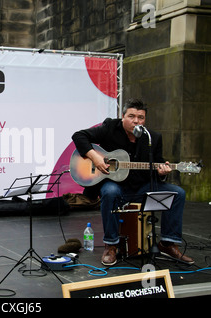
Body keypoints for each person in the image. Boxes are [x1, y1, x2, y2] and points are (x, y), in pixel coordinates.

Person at [72, 98, 194, 266]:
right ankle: (111, 244)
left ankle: (167, 243)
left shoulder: (153, 138)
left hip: (141, 187)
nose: (136, 121)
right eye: (131, 116)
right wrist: (95, 157)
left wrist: (162, 173)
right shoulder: (110, 128)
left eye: (141, 117)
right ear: (123, 116)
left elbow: (158, 163)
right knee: (110, 192)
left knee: (178, 193)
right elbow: (79, 136)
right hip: (116, 186)